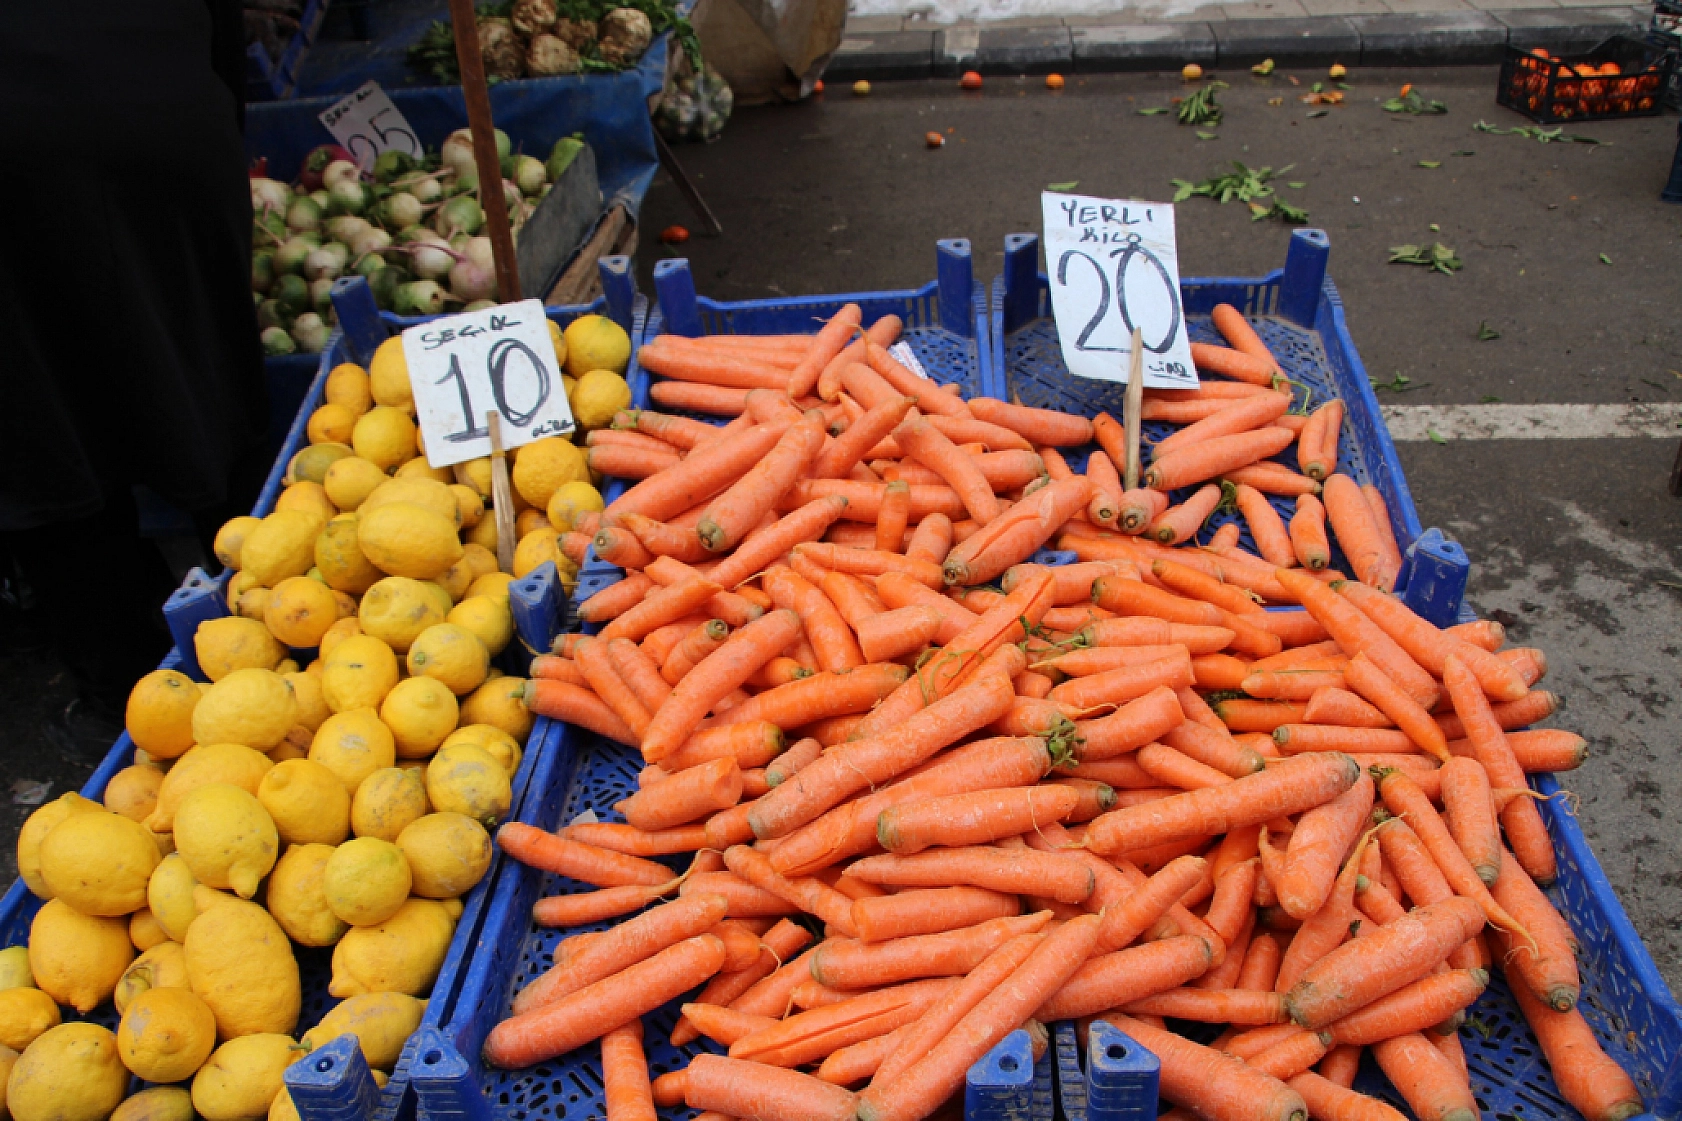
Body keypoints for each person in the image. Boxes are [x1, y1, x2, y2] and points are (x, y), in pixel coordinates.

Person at [0, 0, 271, 732]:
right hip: (164, 107)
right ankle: (280, 618)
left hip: (27, 145)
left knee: (44, 426)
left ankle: (132, 688)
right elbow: (223, 41)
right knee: (207, 373)